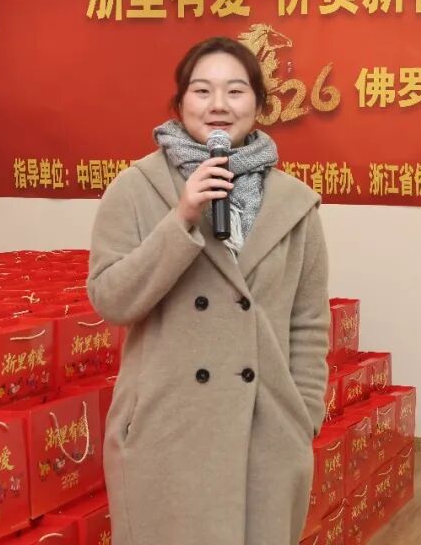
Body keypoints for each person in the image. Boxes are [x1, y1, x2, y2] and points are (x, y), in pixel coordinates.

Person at [86, 36, 330, 545]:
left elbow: (308, 322)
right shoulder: (136, 189)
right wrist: (181, 219)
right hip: (165, 433)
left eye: (235, 91)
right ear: (179, 104)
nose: (219, 104)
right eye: (202, 90)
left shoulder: (295, 204)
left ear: (259, 105)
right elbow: (110, 299)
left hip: (266, 436)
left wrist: (302, 416)